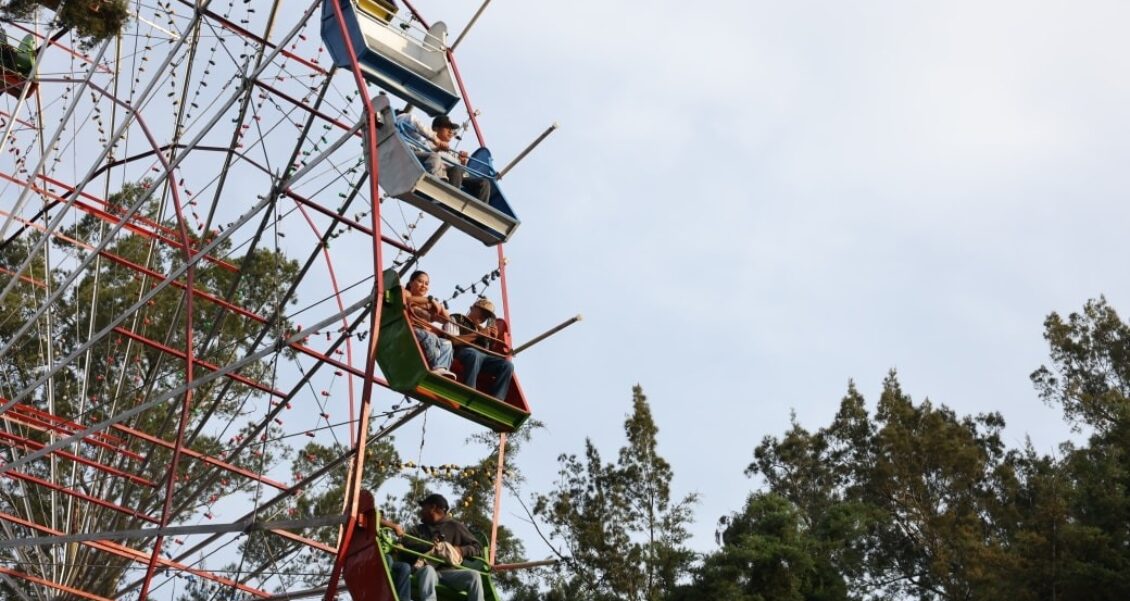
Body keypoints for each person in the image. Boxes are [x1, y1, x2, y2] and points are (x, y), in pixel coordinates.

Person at [389, 493, 485, 601]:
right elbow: (405, 541)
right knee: (429, 570)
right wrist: (429, 546)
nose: (421, 511)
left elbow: (477, 547)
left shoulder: (455, 526)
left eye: (423, 507)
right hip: (423, 569)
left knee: (474, 576)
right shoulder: (418, 529)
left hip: (448, 572)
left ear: (433, 507)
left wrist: (460, 550)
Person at [394, 108, 492, 203]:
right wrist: (437, 143)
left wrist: (463, 162)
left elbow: (463, 173)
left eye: (452, 129)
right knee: (455, 168)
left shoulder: (452, 153)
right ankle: (448, 199)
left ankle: (480, 211)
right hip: (443, 172)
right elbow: (411, 121)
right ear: (436, 129)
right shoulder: (427, 140)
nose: (451, 131)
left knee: (484, 183)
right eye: (447, 128)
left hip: (455, 175)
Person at [449, 298, 514, 400]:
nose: (483, 317)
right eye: (482, 312)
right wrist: (478, 334)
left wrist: (494, 340)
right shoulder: (458, 318)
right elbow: (453, 341)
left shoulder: (484, 330)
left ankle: (497, 399)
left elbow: (488, 354)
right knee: (475, 354)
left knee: (507, 365)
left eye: (486, 316)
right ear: (472, 308)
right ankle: (469, 390)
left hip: (482, 359)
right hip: (461, 352)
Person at [404, 270, 455, 378]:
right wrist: (429, 300)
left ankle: (441, 368)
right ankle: (434, 367)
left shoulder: (428, 302)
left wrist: (439, 306)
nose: (424, 286)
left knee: (446, 343)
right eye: (420, 281)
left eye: (426, 283)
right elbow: (408, 300)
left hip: (424, 332)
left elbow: (447, 319)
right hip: (410, 329)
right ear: (411, 282)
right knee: (431, 337)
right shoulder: (406, 292)